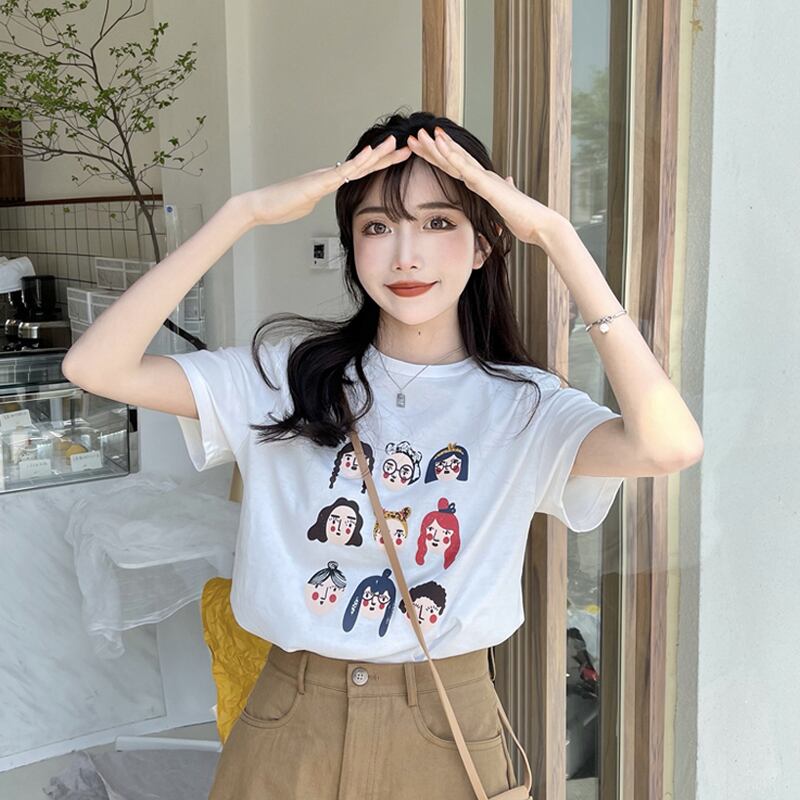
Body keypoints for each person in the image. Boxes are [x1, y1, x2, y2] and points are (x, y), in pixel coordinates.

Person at [62, 109, 703, 799]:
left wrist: (556, 235)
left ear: (484, 245)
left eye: (439, 222)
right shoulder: (283, 376)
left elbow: (668, 445)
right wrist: (241, 214)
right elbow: (95, 366)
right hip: (290, 720)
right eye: (376, 227)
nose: (406, 255)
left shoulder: (525, 406)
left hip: (445, 724)